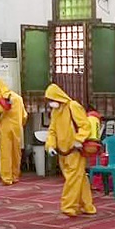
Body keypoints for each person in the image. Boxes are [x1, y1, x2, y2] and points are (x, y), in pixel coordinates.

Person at [44, 83, 96, 217]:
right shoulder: (55, 112)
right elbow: (52, 131)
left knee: (73, 179)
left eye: (51, 99)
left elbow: (85, 125)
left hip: (75, 151)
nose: (50, 103)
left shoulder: (73, 106)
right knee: (79, 179)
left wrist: (79, 139)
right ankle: (87, 206)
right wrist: (50, 145)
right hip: (62, 152)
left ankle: (68, 206)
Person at [0, 78, 27, 186]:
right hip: (17, 128)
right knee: (16, 153)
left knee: (5, 154)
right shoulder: (18, 98)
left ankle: (7, 179)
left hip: (5, 128)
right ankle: (15, 176)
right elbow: (24, 116)